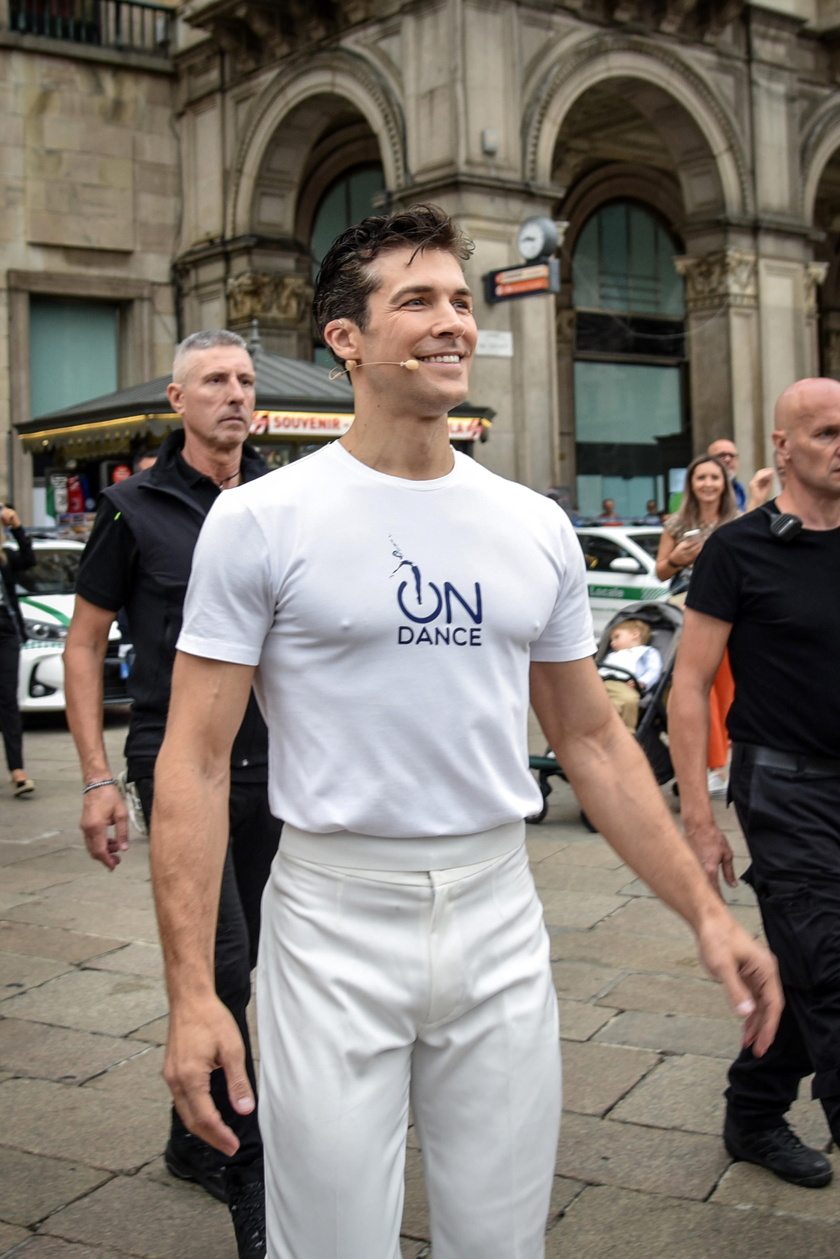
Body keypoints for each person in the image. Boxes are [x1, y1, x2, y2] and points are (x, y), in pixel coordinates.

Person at [150, 205, 781, 1259]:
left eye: (458, 299)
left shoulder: (530, 522)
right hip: (331, 914)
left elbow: (590, 738)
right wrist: (191, 993)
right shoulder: (263, 519)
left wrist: (707, 914)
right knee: (330, 1238)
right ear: (345, 337)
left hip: (498, 910)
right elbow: (196, 756)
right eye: (417, 301)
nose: (452, 322)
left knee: (500, 1239)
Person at [63, 330, 282, 1259]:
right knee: (224, 968)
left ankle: (187, 1133)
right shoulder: (131, 507)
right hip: (179, 761)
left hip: (282, 763)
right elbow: (83, 644)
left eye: (244, 381)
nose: (234, 396)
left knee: (269, 960)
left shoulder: (285, 499)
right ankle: (243, 1157)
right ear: (177, 398)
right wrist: (96, 778)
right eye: (215, 382)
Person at [669, 376, 840, 1191]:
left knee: (806, 971)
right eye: (826, 433)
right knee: (831, 971)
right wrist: (699, 819)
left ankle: (754, 1110)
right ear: (782, 446)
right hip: (783, 789)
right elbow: (689, 683)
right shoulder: (740, 549)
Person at [656, 454, 739, 797]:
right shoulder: (676, 524)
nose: (707, 484)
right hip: (690, 614)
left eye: (714, 478)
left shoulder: (738, 522)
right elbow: (660, 571)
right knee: (698, 692)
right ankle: (707, 767)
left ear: (724, 483)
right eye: (700, 478)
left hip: (734, 616)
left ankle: (720, 765)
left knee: (730, 694)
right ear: (691, 484)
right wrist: (678, 558)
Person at [0, 505, 36, 796]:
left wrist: (17, 526)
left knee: (8, 700)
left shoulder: (6, 558)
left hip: (5, 631)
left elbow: (29, 558)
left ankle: (18, 770)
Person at [598, 618, 662, 730]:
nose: (612, 643)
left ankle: (627, 732)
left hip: (625, 684)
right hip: (602, 682)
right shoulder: (613, 655)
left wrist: (642, 682)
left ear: (635, 634)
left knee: (629, 700)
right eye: (611, 640)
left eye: (617, 637)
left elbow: (654, 670)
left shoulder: (647, 652)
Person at [707, 438, 774, 512]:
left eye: (732, 455)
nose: (728, 459)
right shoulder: (705, 489)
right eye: (721, 455)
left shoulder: (738, 489)